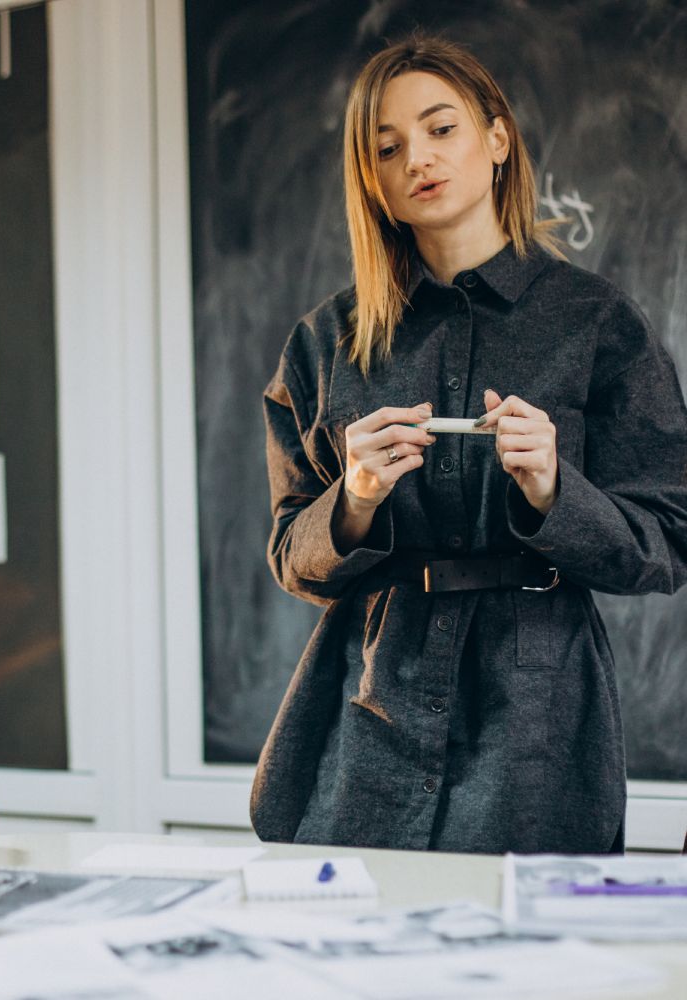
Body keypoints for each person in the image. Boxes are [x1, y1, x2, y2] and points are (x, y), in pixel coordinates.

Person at [250, 34, 687, 854]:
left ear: (497, 140)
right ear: (372, 181)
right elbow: (289, 553)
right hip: (365, 711)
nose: (417, 156)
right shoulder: (324, 344)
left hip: (538, 724)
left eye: (440, 128)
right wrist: (354, 501)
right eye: (387, 147)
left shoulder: (597, 324)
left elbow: (669, 540)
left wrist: (557, 492)